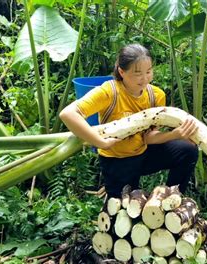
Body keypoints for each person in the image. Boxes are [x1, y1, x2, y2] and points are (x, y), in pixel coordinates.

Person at [60, 44, 198, 198]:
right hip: (117, 161)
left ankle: (171, 200)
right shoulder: (109, 92)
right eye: (138, 73)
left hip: (144, 154)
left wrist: (176, 134)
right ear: (121, 71)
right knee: (123, 212)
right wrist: (100, 142)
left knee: (187, 150)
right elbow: (67, 114)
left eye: (149, 71)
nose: (145, 78)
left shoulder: (156, 95)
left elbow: (148, 137)